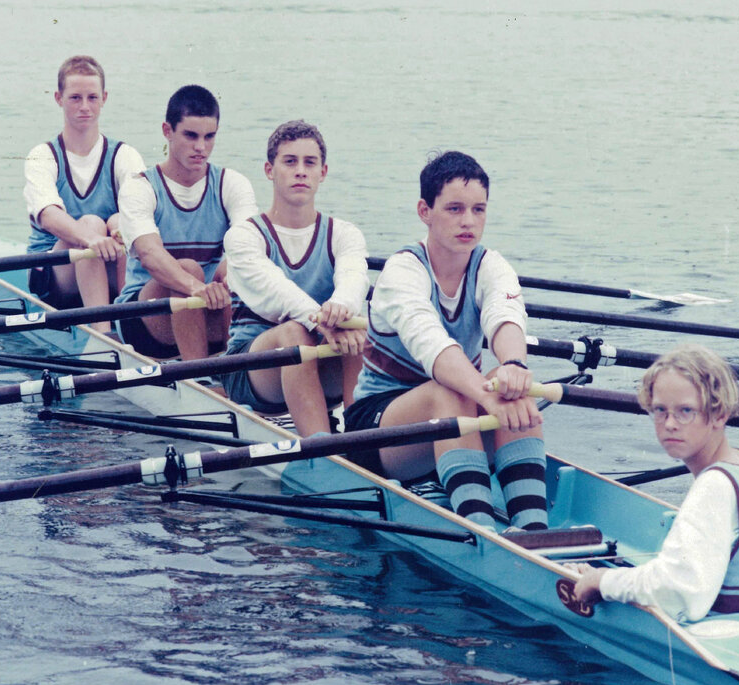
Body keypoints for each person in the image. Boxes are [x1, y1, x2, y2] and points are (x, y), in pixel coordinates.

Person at [344, 150, 548, 533]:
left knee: (513, 389)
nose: (468, 221)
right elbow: (431, 343)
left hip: (458, 411)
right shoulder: (402, 271)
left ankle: (535, 531)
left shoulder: (492, 265)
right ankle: (482, 532)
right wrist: (488, 395)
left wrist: (513, 367)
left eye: (478, 209)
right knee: (452, 393)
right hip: (376, 428)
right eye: (454, 209)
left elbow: (505, 320)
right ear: (425, 211)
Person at [569, 344, 739, 622]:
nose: (669, 423)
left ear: (720, 414)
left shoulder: (715, 486)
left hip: (730, 646)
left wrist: (603, 580)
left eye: (686, 411)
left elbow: (677, 591)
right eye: (660, 410)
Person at [222, 120, 369, 436]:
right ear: (269, 170)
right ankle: (321, 449)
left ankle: (363, 445)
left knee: (357, 332)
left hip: (322, 352)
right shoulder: (243, 236)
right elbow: (279, 293)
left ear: (323, 173)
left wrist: (342, 309)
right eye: (290, 162)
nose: (300, 171)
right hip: (252, 373)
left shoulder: (345, 234)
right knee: (294, 333)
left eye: (309, 163)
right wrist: (325, 321)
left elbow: (354, 279)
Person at [115, 85, 257, 360]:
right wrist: (197, 288)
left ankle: (234, 372)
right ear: (167, 131)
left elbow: (249, 247)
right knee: (189, 269)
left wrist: (229, 280)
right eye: (190, 136)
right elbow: (149, 254)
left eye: (209, 136)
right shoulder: (140, 188)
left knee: (234, 268)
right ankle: (198, 377)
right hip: (145, 322)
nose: (201, 147)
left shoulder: (232, 184)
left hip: (206, 308)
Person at [24, 55, 145, 332]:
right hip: (55, 278)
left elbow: (141, 212)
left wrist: (118, 232)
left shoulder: (124, 156)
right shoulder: (42, 156)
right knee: (90, 224)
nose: (85, 107)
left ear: (104, 98)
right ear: (58, 98)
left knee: (120, 222)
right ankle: (102, 335)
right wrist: (92, 239)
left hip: (109, 268)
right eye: (75, 98)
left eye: (92, 98)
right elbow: (49, 216)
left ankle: (132, 328)